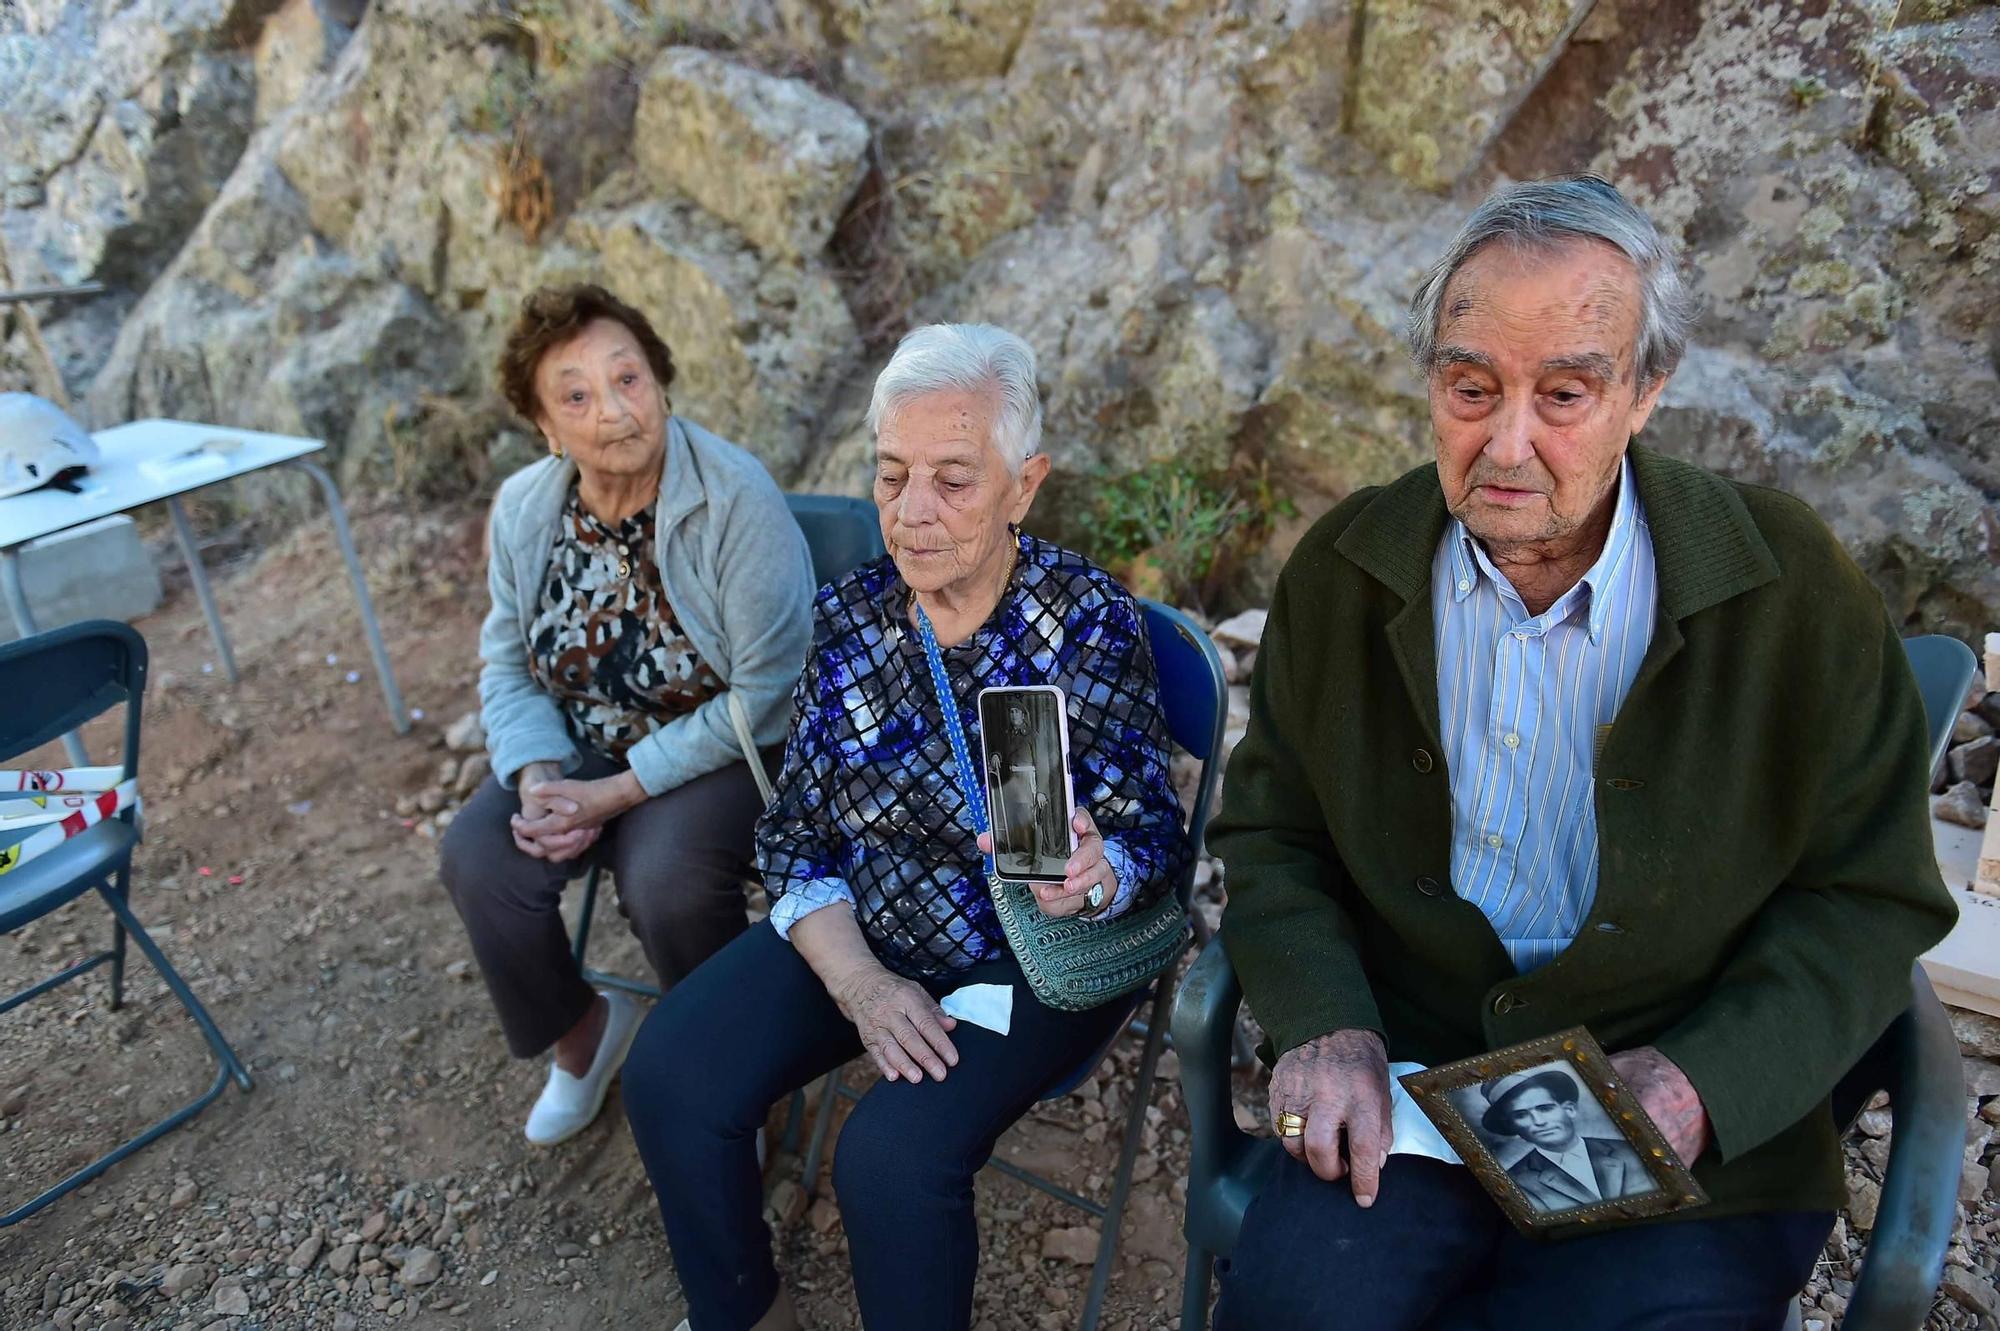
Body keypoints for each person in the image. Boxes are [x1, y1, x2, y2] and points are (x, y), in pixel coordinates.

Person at [1207, 176, 1958, 1328]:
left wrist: (1699, 1081)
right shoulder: (1347, 571)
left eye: (1563, 391)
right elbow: (1274, 832)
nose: (1507, 442)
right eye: (1470, 387)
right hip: (1414, 1088)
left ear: (1645, 391)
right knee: (1292, 1305)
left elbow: (1866, 893)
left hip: (1669, 1119)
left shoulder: (1788, 584)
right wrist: (1324, 1020)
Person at [620, 322, 1191, 1331]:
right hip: (867, 928)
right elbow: (796, 836)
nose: (911, 513)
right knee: (672, 1065)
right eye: (890, 476)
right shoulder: (852, 616)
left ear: (1024, 484)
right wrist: (861, 982)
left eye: (953, 480)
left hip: (1026, 952)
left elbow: (1154, 836)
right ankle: (744, 1311)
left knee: (885, 1155)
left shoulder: (1084, 619)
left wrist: (1098, 870)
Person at [438, 283, 814, 1147]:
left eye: (629, 379)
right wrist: (539, 779)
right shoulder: (527, 509)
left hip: (729, 750)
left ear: (661, 382)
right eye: (577, 395)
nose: (613, 411)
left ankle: (730, 1076)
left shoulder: (733, 499)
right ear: (545, 426)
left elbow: (770, 693)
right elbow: (507, 662)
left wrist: (616, 796)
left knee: (667, 879)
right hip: (582, 744)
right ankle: (583, 1036)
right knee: (479, 856)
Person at [1478, 1067, 1650, 1211]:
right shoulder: (1516, 1182)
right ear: (1512, 1127)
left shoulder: (1630, 1150)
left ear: (1570, 1109)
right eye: (1521, 1115)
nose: (1539, 1122)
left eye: (1545, 1108)